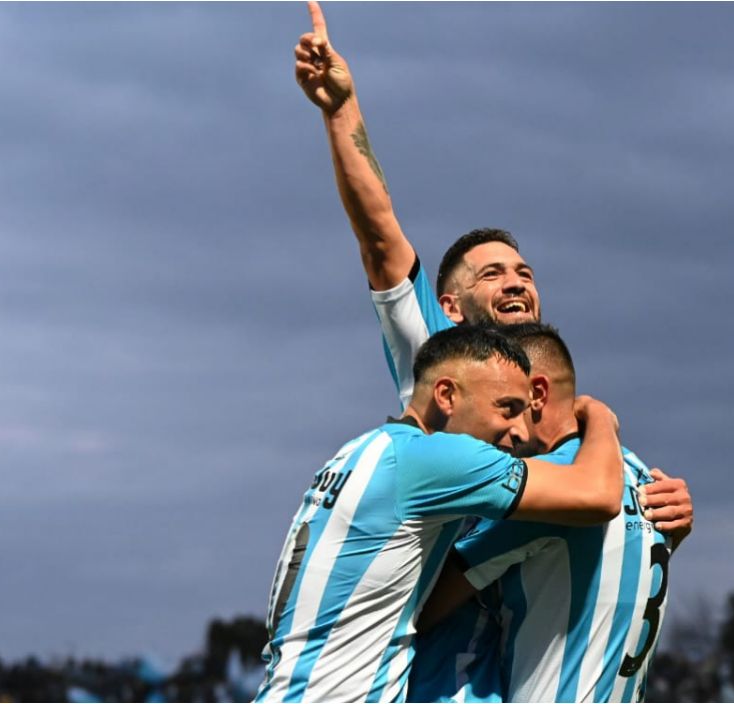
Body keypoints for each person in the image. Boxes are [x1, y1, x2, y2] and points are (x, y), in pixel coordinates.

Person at [292, 0, 692, 543]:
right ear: (451, 307)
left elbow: (589, 507)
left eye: (524, 272)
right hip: (438, 596)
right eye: (492, 274)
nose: (516, 282)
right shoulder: (436, 347)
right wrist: (341, 111)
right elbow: (380, 236)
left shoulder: (549, 397)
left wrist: (657, 518)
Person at [254, 326, 625, 702]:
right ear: (446, 395)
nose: (521, 432)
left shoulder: (359, 451)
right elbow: (598, 496)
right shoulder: (437, 460)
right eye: (507, 409)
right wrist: (597, 415)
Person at [410, 324, 674, 703]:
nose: (510, 431)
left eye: (508, 405)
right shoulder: (641, 474)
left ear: (536, 394)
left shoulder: (555, 491)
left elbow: (424, 609)